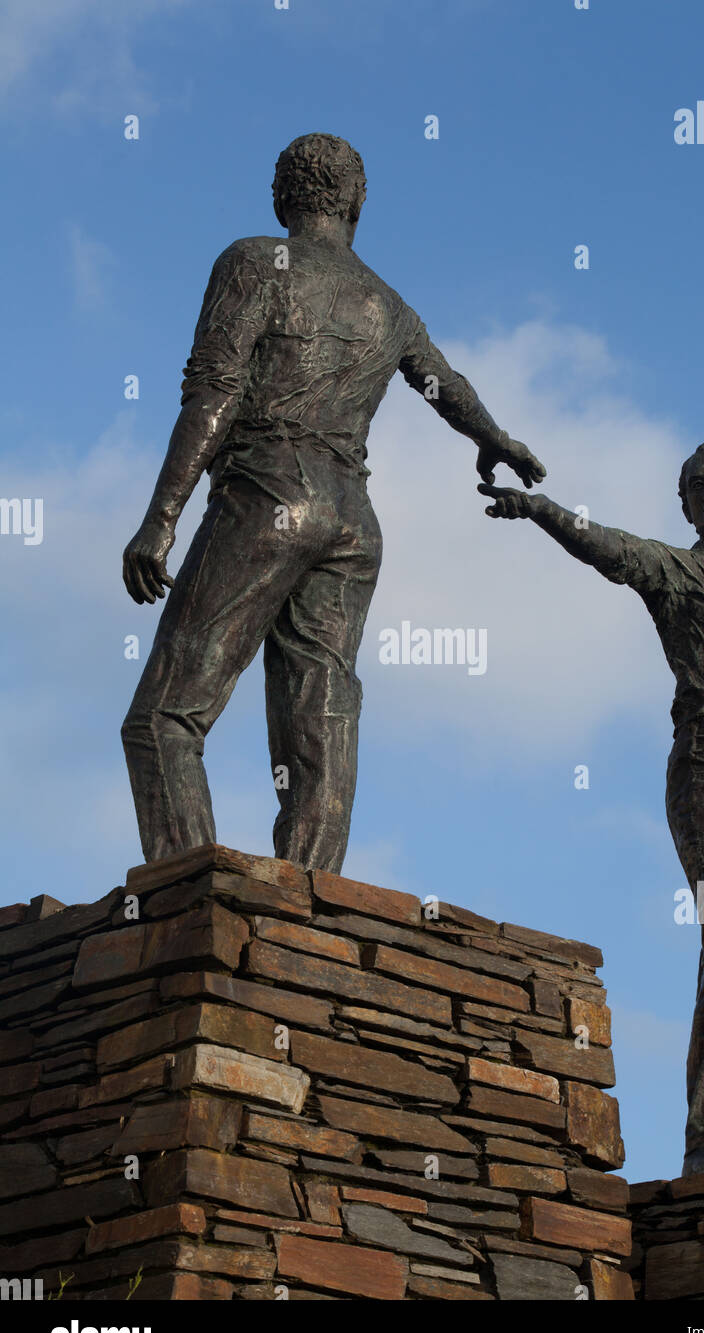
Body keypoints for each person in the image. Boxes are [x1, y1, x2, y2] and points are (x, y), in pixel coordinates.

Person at [121, 132, 543, 871]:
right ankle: (310, 906)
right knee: (319, 720)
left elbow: (213, 390)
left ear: (282, 198)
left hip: (268, 496)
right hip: (352, 521)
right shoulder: (390, 305)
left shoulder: (255, 262)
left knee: (162, 719)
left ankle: (185, 897)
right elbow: (444, 383)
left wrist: (161, 520)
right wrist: (496, 438)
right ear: (357, 202)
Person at [479, 439, 704, 1176]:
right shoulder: (678, 574)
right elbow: (608, 547)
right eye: (695, 484)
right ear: (683, 504)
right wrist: (544, 509)